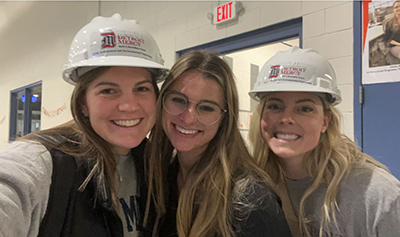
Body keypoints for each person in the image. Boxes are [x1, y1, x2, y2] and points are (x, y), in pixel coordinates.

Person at [0, 13, 168, 237]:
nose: (129, 106)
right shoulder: (42, 163)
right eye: (108, 90)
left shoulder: (154, 164)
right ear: (83, 104)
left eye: (141, 89)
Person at [248, 46, 400, 237]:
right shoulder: (253, 186)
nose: (286, 118)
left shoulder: (376, 195)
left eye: (304, 108)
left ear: (325, 121)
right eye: (275, 106)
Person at [145, 50, 292, 237]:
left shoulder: (250, 200)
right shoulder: (161, 178)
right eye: (178, 100)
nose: (188, 118)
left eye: (206, 108)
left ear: (224, 119)